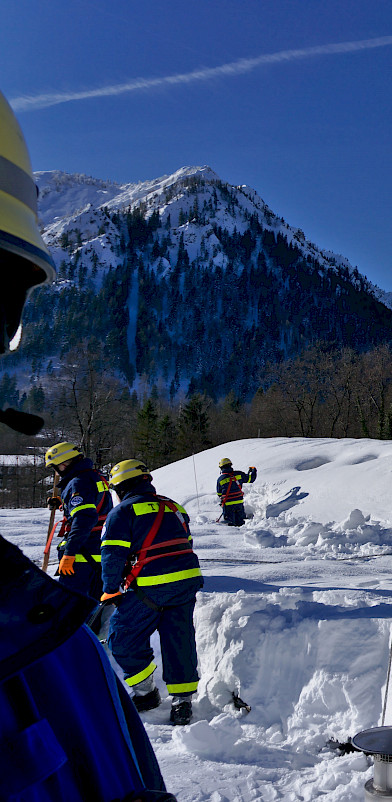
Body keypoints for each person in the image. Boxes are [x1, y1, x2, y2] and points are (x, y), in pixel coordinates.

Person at [0, 87, 174, 799]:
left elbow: (98, 541)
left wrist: (94, 585)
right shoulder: (51, 645)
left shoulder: (53, 649)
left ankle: (165, 693)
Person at [100, 459, 203, 726]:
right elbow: (186, 542)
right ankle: (182, 702)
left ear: (121, 487)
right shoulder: (174, 507)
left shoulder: (122, 512)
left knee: (122, 638)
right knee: (178, 639)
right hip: (187, 582)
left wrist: (110, 588)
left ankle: (146, 693)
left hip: (150, 586)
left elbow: (112, 554)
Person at [45, 440, 113, 602]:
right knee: (94, 606)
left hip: (81, 555)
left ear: (65, 464)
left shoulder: (78, 483)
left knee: (71, 607)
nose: (56, 473)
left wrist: (69, 553)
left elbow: (84, 519)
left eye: (56, 468)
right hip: (99, 551)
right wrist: (63, 503)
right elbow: (94, 506)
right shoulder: (93, 476)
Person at [216, 457, 256, 526]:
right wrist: (253, 470)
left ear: (221, 468)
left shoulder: (220, 479)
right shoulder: (239, 474)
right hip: (239, 503)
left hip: (228, 505)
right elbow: (251, 479)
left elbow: (219, 493)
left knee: (230, 525)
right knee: (241, 524)